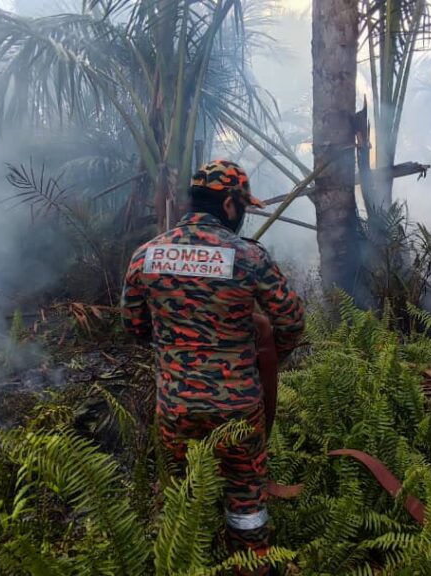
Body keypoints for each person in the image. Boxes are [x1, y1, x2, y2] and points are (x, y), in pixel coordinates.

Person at [120, 159, 305, 574]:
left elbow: (134, 327)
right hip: (238, 409)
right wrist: (274, 355)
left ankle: (185, 561)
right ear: (229, 205)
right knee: (245, 496)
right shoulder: (248, 256)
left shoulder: (146, 256)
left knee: (184, 493)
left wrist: (175, 346)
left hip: (175, 408)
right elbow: (291, 321)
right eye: (243, 207)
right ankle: (252, 563)